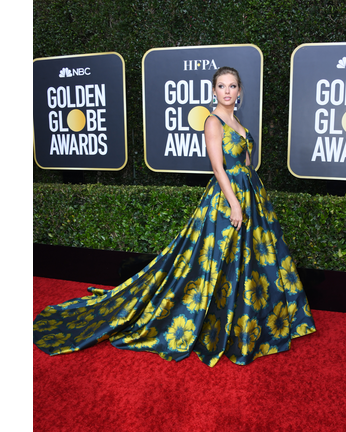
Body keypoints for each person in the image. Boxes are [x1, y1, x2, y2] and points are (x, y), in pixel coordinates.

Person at [33, 66, 316, 367]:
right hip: (227, 200)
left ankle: (250, 325)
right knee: (218, 260)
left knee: (252, 261)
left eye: (233, 86)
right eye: (222, 86)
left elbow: (247, 165)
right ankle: (217, 322)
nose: (228, 92)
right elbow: (219, 168)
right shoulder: (213, 122)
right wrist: (234, 203)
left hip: (251, 196)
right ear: (214, 91)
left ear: (240, 91)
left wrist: (252, 197)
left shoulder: (241, 126)